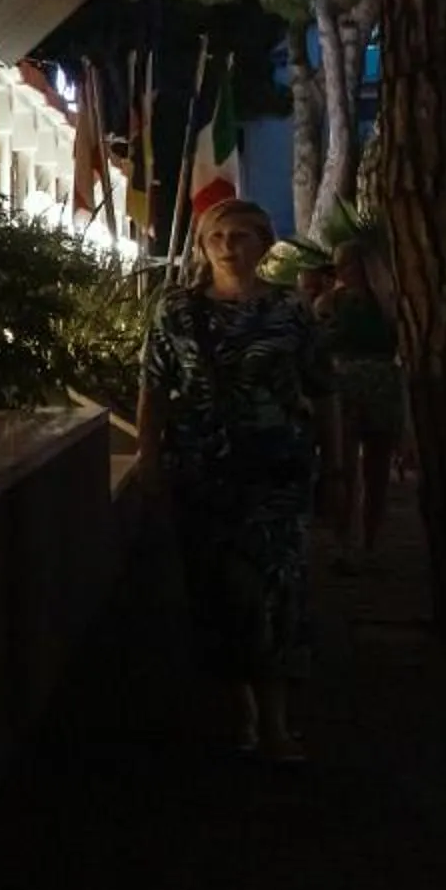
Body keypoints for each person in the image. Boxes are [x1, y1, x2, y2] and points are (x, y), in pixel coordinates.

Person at [134, 199, 338, 762]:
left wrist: (335, 466)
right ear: (203, 245)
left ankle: (276, 721)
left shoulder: (290, 312)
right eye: (217, 236)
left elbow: (323, 390)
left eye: (242, 235)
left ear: (265, 244)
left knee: (276, 590)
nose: (229, 246)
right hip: (204, 472)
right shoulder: (176, 311)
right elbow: (154, 388)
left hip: (276, 471)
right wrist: (149, 457)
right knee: (216, 589)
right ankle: (240, 712)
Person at [317, 237, 406, 563]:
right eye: (339, 264)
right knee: (344, 467)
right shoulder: (331, 302)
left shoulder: (388, 303)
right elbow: (320, 345)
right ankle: (346, 542)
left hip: (381, 385)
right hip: (345, 384)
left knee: (377, 469)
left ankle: (371, 542)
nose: (342, 270)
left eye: (348, 264)